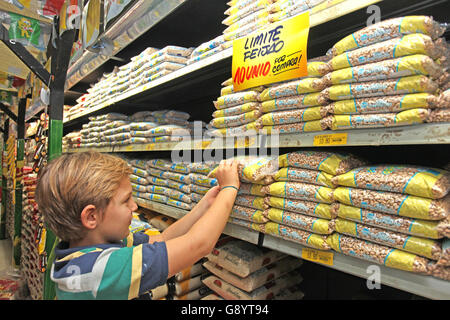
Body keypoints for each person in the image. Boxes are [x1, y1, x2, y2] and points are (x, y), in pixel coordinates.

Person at [35, 151, 240, 300]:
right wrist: (230, 188)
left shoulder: (88, 248)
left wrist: (205, 205)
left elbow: (162, 239)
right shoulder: (100, 270)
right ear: (91, 217)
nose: (135, 206)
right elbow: (198, 245)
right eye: (126, 201)